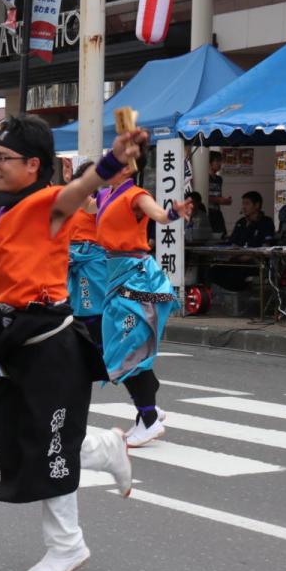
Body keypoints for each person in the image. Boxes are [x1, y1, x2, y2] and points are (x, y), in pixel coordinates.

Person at [0, 94, 133, 571]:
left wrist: (114, 159)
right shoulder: (0, 199)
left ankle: (67, 545)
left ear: (33, 165)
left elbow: (83, 186)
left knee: (51, 445)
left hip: (51, 340)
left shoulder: (50, 205)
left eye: (3, 158)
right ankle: (105, 449)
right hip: (15, 334)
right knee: (17, 435)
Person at [96, 151, 190, 447]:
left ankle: (148, 418)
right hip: (114, 274)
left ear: (126, 169)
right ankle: (148, 408)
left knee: (130, 347)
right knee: (121, 348)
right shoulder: (104, 195)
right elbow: (75, 205)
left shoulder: (136, 195)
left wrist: (173, 213)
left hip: (136, 277)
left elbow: (160, 215)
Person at [65, 162, 105, 346]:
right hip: (73, 257)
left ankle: (98, 349)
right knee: (76, 306)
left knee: (91, 306)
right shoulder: (73, 201)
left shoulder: (101, 199)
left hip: (92, 258)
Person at [207, 151, 231, 235]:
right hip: (207, 212)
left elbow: (218, 195)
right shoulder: (204, 177)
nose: (219, 163)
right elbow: (203, 196)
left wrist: (225, 200)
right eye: (217, 161)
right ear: (209, 162)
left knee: (222, 235)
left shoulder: (219, 179)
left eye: (220, 161)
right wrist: (219, 200)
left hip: (217, 212)